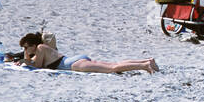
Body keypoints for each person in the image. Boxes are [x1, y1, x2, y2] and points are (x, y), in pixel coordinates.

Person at [18, 32, 158, 74]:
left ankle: (144, 66)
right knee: (113, 64)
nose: (26, 50)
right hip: (75, 59)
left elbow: (37, 66)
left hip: (73, 65)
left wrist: (25, 58)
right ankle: (147, 60)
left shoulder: (41, 48)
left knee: (112, 69)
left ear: (33, 45)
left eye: (26, 47)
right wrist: (25, 59)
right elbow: (34, 62)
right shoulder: (43, 48)